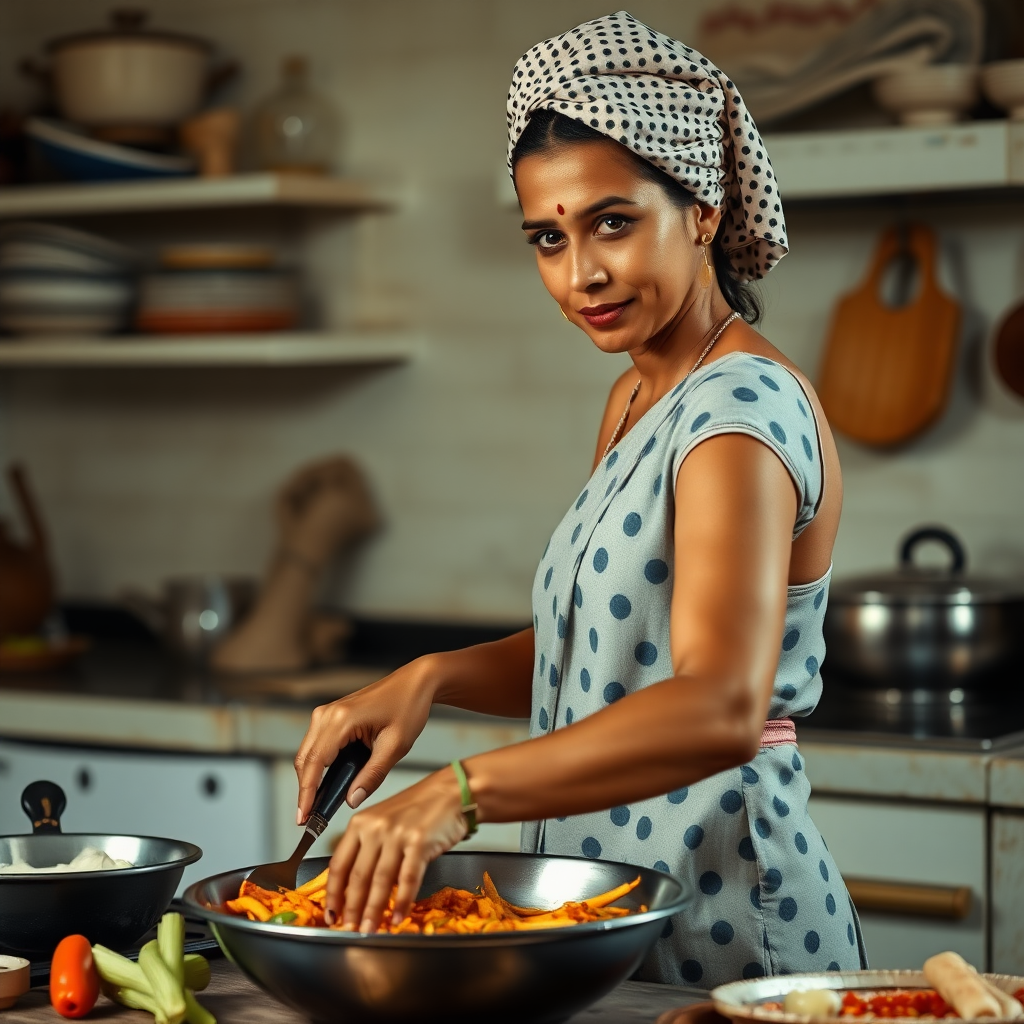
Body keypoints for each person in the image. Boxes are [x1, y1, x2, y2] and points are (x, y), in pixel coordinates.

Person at [292, 10, 867, 987]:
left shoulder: (738, 408)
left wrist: (456, 794)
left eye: (611, 222)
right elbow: (606, 656)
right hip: (616, 901)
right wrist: (427, 675)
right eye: (547, 238)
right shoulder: (640, 395)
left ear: (701, 211)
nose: (580, 273)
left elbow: (719, 706)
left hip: (726, 912)